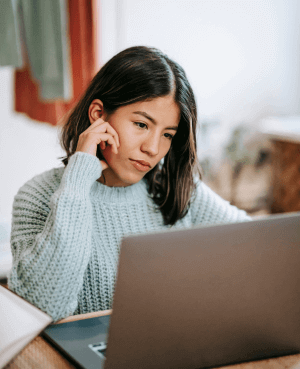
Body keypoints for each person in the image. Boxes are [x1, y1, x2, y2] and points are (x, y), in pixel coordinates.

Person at [8, 46, 251, 322]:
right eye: (141, 125)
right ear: (99, 115)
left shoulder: (176, 189)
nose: (153, 148)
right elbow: (44, 306)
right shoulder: (37, 196)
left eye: (168, 134)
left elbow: (257, 248)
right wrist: (77, 180)